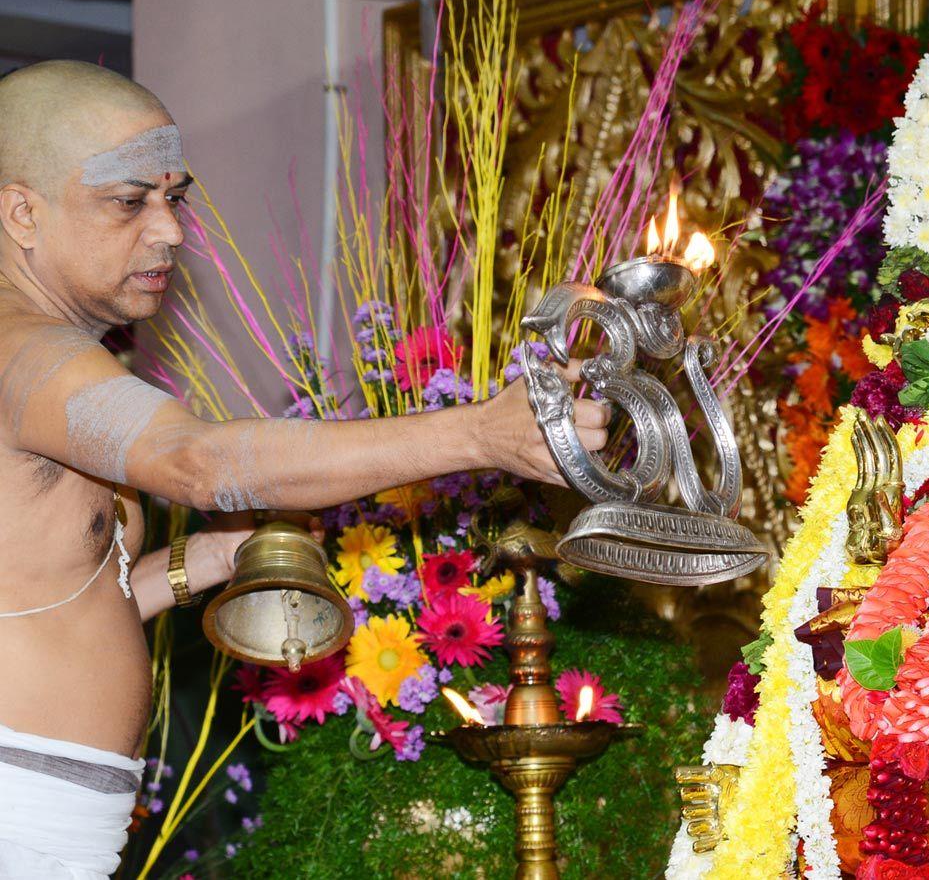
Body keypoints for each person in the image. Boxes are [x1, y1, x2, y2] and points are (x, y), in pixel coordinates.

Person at [0, 60, 609, 878]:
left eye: (174, 198)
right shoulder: (22, 351)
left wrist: (207, 560)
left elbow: (55, 595)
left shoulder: (53, 357)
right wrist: (482, 436)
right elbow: (201, 463)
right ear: (21, 213)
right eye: (129, 201)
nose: (172, 232)